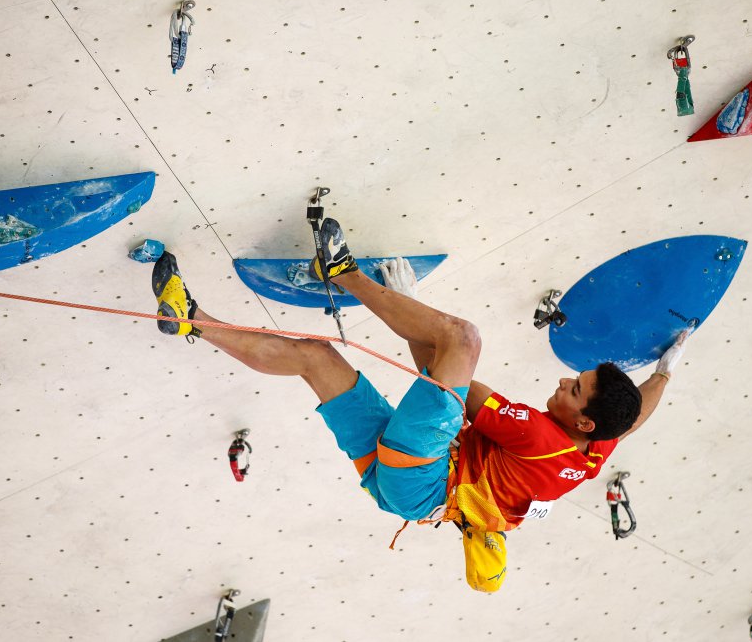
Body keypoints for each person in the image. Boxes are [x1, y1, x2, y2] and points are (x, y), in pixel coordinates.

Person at [151, 218, 690, 592]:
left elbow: (445, 365)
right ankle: (189, 317)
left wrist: (409, 309)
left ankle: (342, 272)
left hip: (426, 476)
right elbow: (638, 414)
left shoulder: (542, 438)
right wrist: (665, 370)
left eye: (573, 389)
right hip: (405, 494)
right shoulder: (593, 446)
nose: (562, 381)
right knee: (317, 358)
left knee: (466, 338)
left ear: (582, 419)